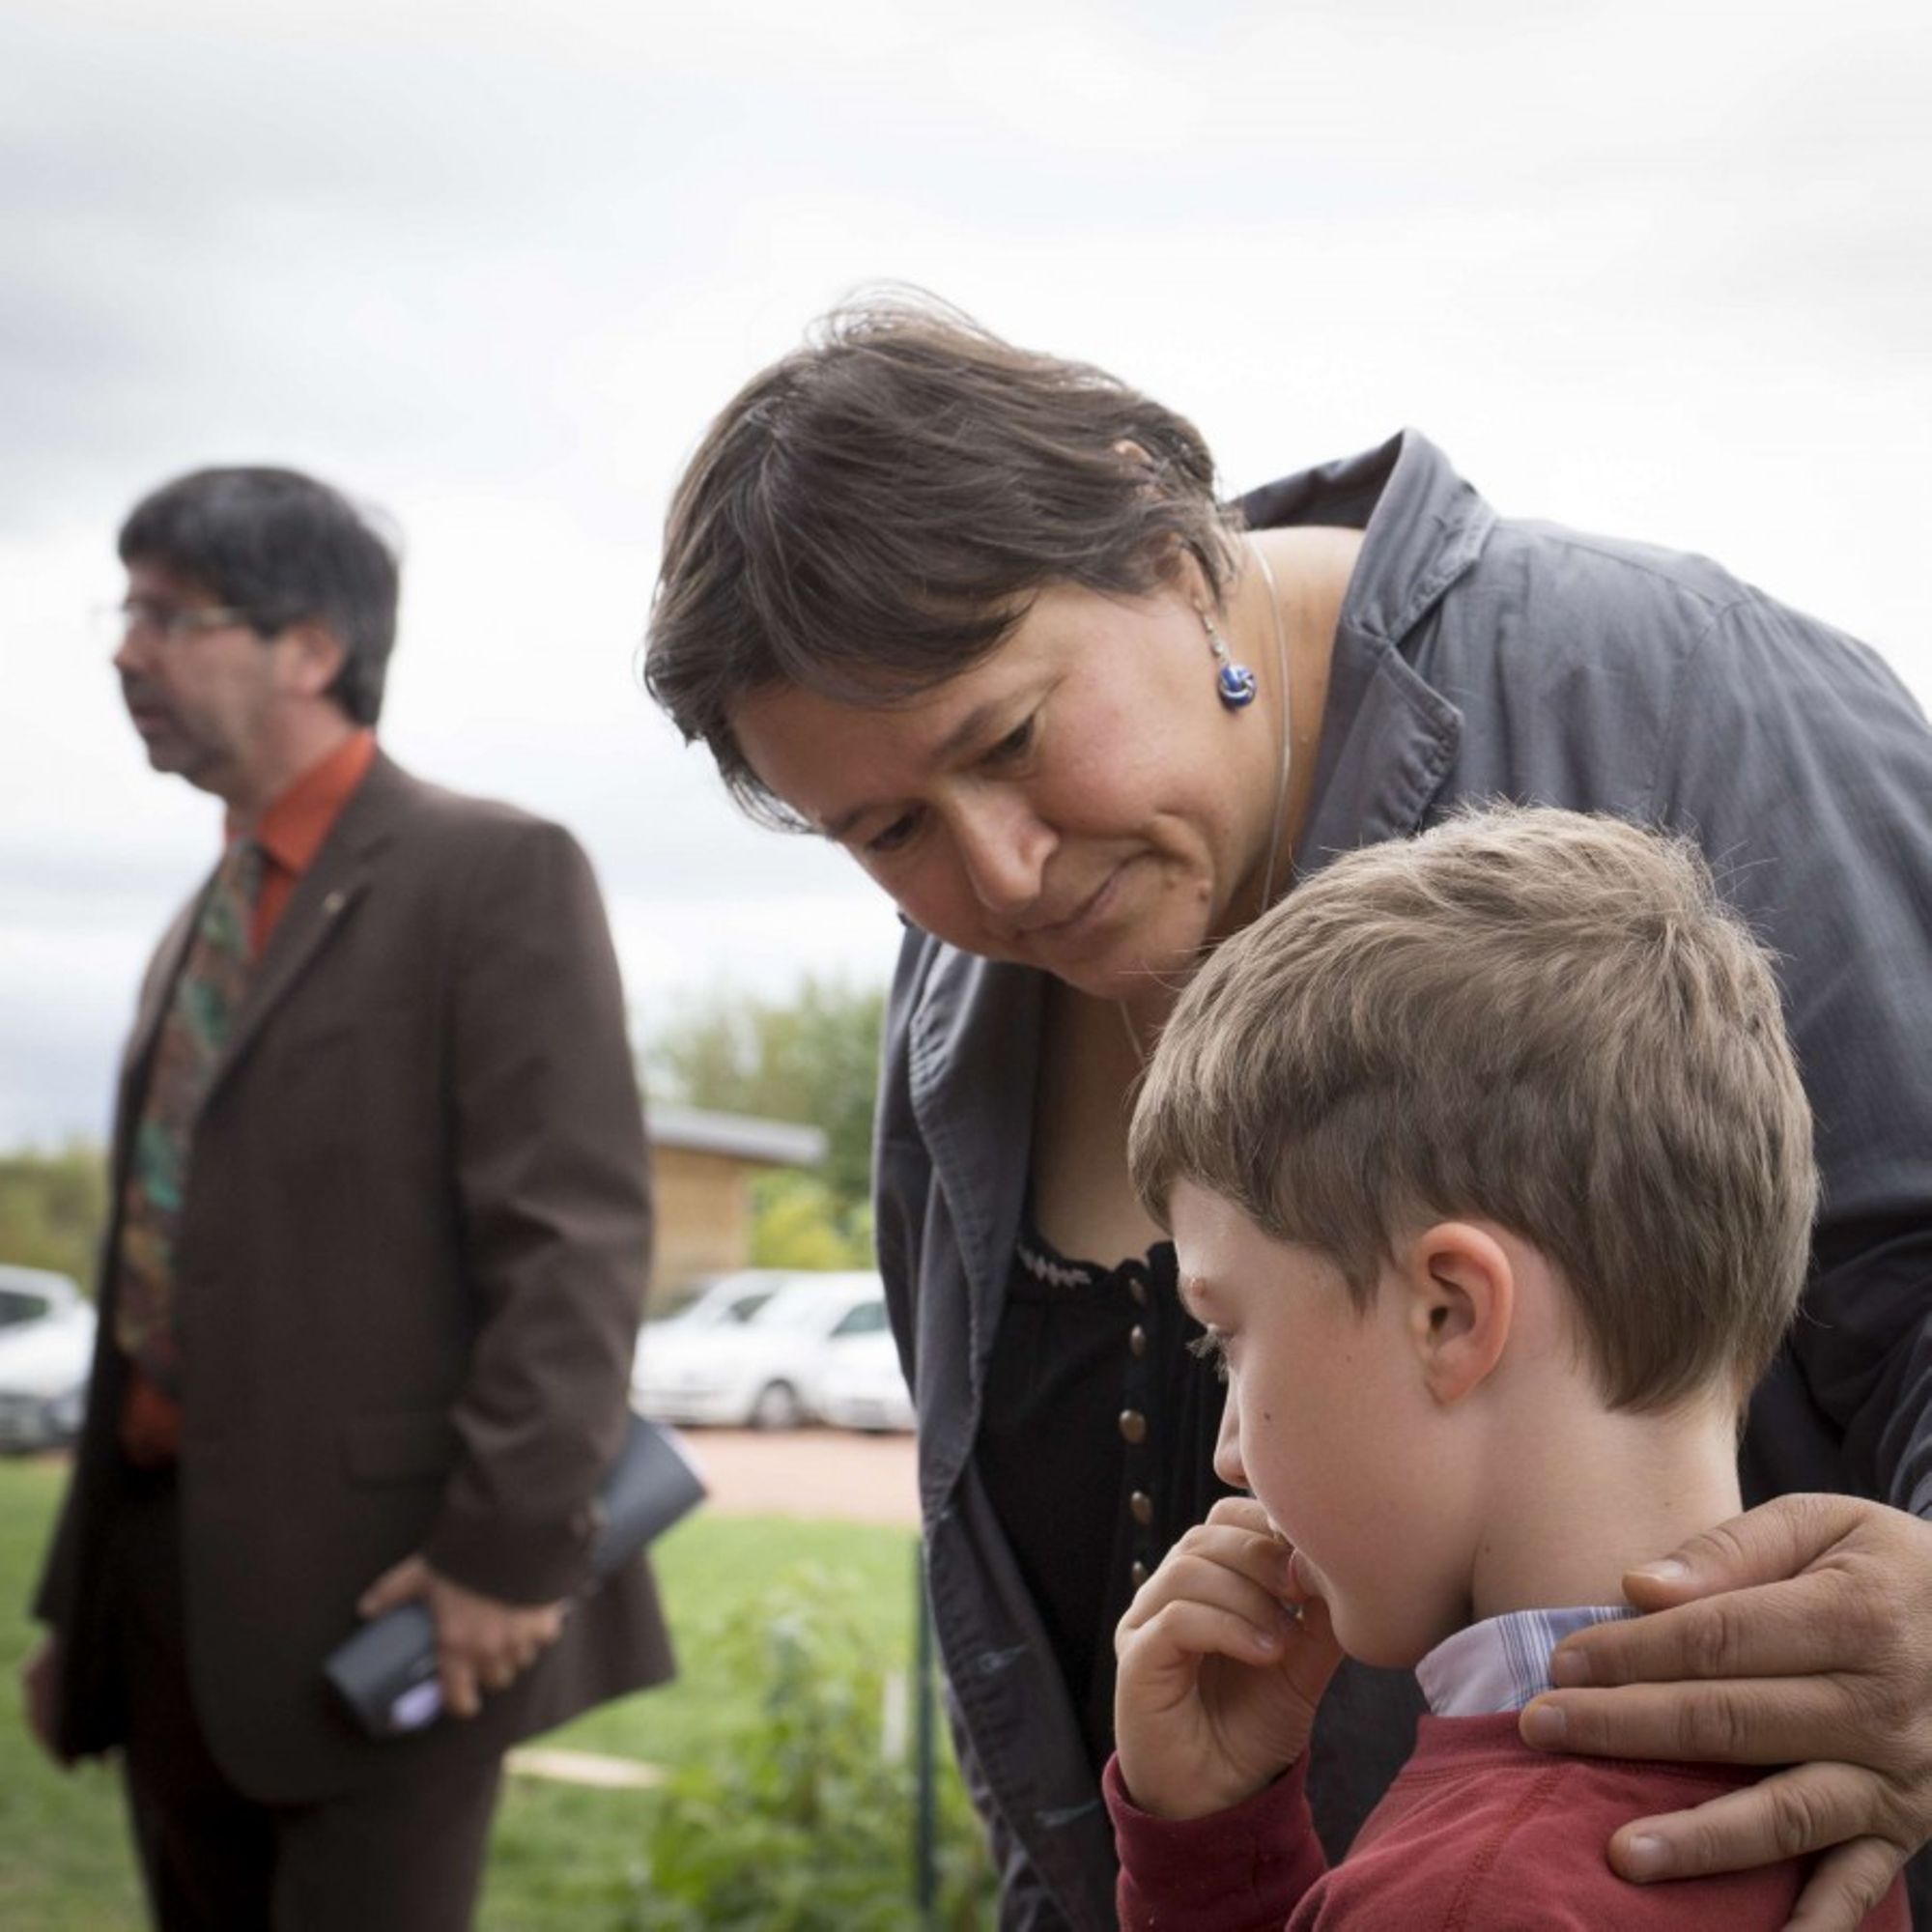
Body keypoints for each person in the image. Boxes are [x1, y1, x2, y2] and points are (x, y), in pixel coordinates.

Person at [642, 297, 1932, 1931]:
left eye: (1014, 738)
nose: (995, 874)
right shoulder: (951, 995)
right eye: (886, 829)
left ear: (1179, 559)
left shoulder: (1688, 696)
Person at [21, 467, 673, 1932]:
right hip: (166, 1590)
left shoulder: (490, 872)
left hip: (394, 1603)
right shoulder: (199, 922)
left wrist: (503, 1557)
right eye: (125, 609)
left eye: (169, 613)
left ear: (310, 647)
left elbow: (571, 1245)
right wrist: (84, 1608)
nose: (127, 649)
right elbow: (153, 1276)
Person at [1108, 804, 1907, 1928]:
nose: (1231, 1452)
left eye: (1227, 1336)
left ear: (1447, 1312)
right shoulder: (1825, 1806)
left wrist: (1199, 1868)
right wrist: (1220, 1834)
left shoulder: (1466, 1890)